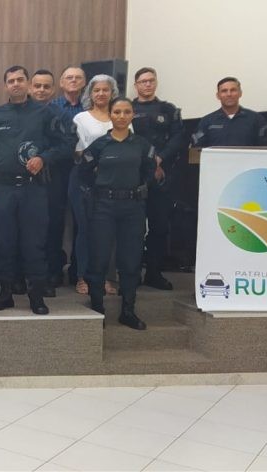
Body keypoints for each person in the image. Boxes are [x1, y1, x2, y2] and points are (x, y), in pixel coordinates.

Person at [0, 66, 74, 315]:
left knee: (34, 244)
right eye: (11, 81)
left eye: (20, 80)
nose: (16, 84)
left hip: (33, 189)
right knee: (3, 243)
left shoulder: (45, 113)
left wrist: (44, 157)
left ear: (28, 84)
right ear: (5, 86)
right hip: (2, 188)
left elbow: (66, 144)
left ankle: (36, 297)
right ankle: (5, 294)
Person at [79, 97, 157, 330]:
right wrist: (96, 192)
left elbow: (150, 172)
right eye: (117, 112)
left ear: (132, 115)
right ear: (110, 115)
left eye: (126, 112)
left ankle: (128, 311)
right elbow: (83, 172)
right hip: (104, 206)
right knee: (99, 258)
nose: (122, 116)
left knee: (130, 260)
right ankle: (97, 307)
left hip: (133, 208)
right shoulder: (100, 144)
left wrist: (140, 190)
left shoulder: (143, 145)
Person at [131, 67, 186, 291]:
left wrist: (159, 160)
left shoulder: (168, 109)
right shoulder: (126, 108)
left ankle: (154, 272)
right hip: (134, 175)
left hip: (161, 175)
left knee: (159, 226)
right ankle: (131, 273)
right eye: (143, 81)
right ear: (136, 85)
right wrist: (146, 163)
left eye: (151, 81)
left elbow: (178, 138)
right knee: (133, 228)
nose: (147, 85)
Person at [70, 74, 120, 297]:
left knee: (109, 232)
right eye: (96, 90)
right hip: (85, 180)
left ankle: (106, 278)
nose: (101, 94)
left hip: (115, 182)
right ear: (90, 93)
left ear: (113, 93)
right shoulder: (81, 118)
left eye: (105, 90)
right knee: (86, 230)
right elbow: (78, 150)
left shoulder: (119, 117)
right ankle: (83, 277)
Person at [33, 68, 70, 292]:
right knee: (28, 228)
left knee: (53, 226)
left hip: (54, 177)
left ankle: (52, 273)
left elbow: (68, 144)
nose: (41, 90)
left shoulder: (62, 115)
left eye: (46, 86)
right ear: (30, 88)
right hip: (24, 179)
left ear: (53, 89)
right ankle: (27, 274)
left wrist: (45, 158)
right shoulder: (19, 112)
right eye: (37, 85)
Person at [192, 77, 267, 148]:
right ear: (218, 95)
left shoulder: (256, 119)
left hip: (248, 166)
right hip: (217, 166)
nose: (229, 94)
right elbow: (196, 151)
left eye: (233, 90)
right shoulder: (207, 121)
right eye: (224, 91)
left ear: (240, 93)